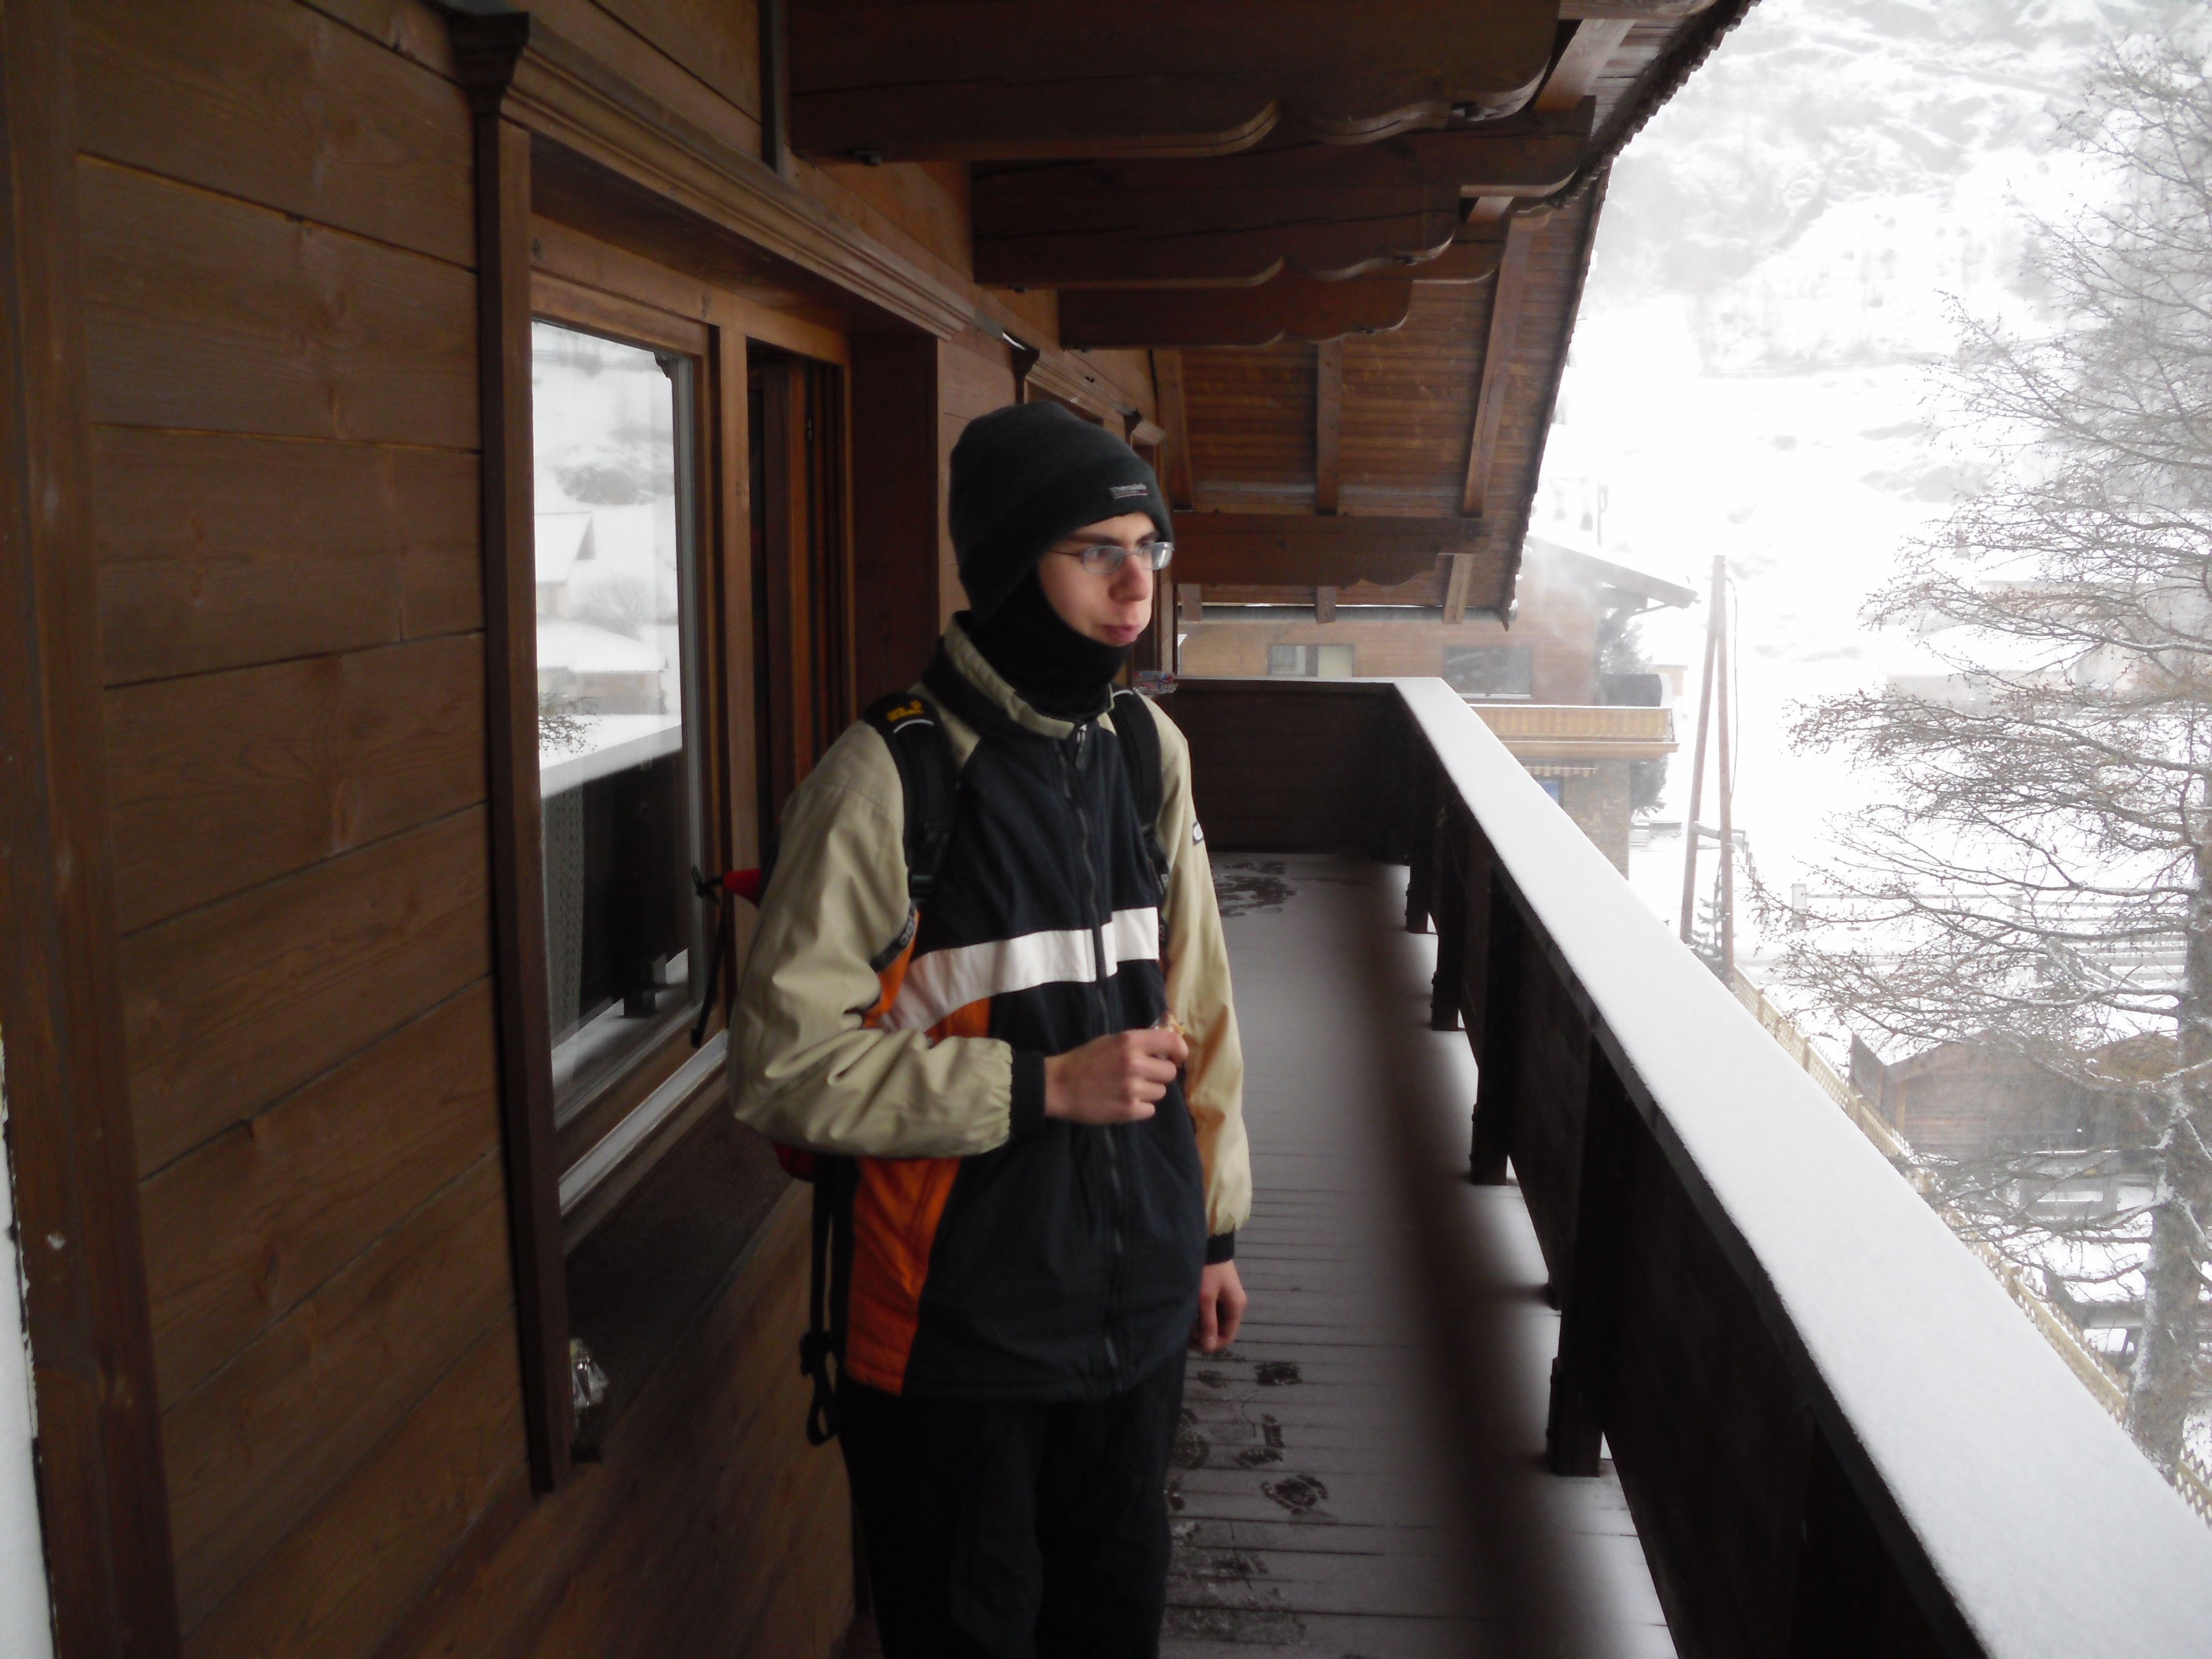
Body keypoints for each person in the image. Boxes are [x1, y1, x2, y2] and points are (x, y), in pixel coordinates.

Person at [731, 399, 1251, 1659]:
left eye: (1148, 548)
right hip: (953, 1343)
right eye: (1095, 552)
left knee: (1112, 1627)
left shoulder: (1144, 750)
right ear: (1013, 564)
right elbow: (781, 1069)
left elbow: (1197, 1007)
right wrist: (1039, 1088)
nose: (1135, 584)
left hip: (1135, 1316)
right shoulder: (886, 779)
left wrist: (1212, 1230)